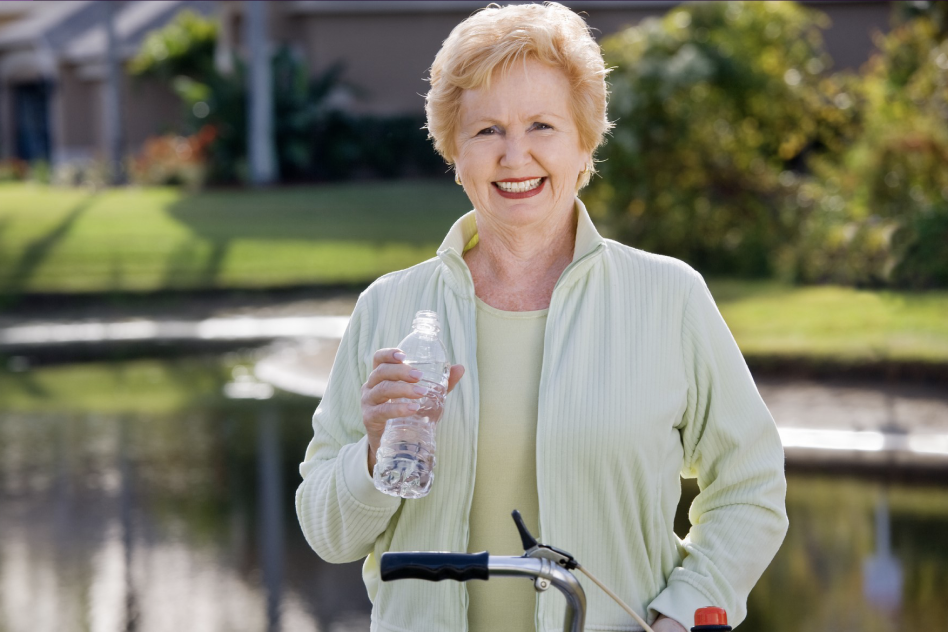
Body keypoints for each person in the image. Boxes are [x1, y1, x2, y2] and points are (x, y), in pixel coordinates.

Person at [296, 3, 788, 631]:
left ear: (585, 144)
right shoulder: (389, 308)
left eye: (542, 126)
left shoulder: (669, 298)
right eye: (487, 131)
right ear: (455, 153)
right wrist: (370, 456)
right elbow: (326, 534)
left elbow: (751, 486)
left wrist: (684, 614)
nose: (515, 155)